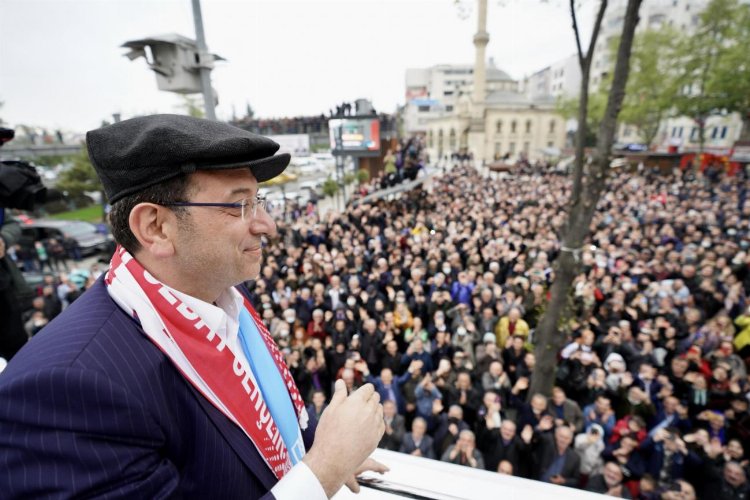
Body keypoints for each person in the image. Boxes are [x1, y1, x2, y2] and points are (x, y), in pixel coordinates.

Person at [0, 115, 387, 498]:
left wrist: (320, 450)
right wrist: (324, 470)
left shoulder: (226, 296)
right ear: (155, 227)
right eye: (239, 206)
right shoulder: (69, 390)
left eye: (260, 201)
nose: (267, 225)